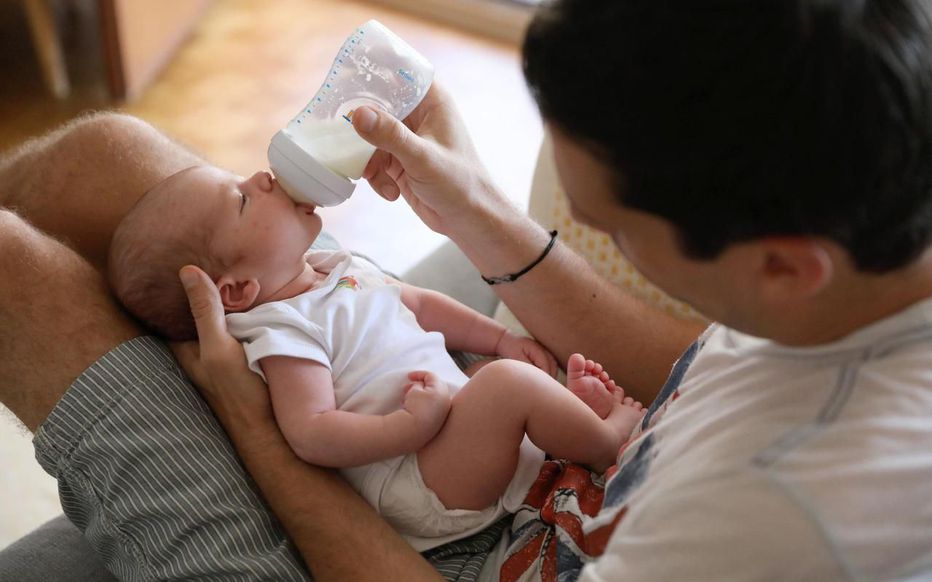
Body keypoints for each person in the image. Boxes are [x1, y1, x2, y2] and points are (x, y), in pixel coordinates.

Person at [4, 0, 928, 580]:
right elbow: (716, 368)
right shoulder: (868, 275)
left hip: (450, 541)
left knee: (12, 261)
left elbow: (329, 421)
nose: (588, 236)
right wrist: (479, 214)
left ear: (781, 264)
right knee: (104, 160)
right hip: (493, 461)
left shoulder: (774, 520)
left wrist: (250, 429)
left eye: (614, 229)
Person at [106, 163, 645, 549]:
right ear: (237, 290)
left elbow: (417, 303)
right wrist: (411, 427)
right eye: (242, 199)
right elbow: (312, 432)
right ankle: (604, 444)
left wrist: (497, 338)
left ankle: (562, 421)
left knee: (496, 376)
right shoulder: (282, 331)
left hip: (445, 438)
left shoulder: (331, 266)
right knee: (505, 386)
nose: (262, 177)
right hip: (419, 481)